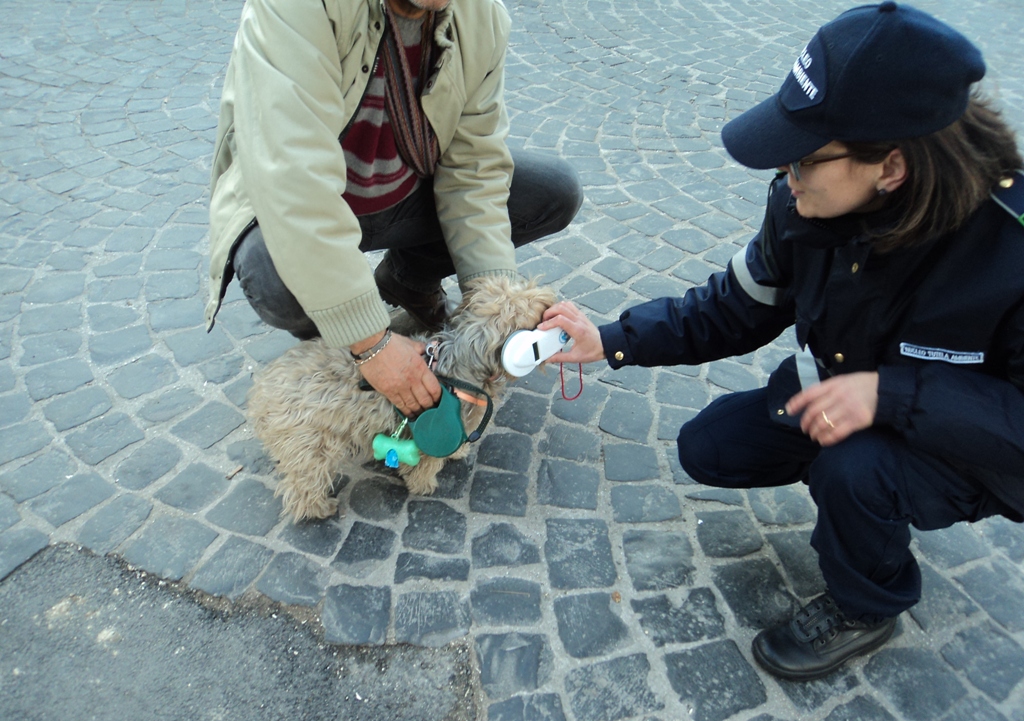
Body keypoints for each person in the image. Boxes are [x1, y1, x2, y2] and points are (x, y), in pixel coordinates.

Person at [541, 2, 1024, 681]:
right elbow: (736, 307)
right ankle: (867, 491)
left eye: (804, 158)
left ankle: (871, 600)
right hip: (847, 391)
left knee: (854, 472)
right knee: (711, 446)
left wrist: (890, 396)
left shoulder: (1011, 249)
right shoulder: (802, 208)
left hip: (972, 446)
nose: (786, 177)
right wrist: (611, 339)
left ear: (891, 167)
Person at [205, 0, 583, 417]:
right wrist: (372, 345)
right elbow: (294, 179)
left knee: (552, 192)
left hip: (401, 190)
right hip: (292, 200)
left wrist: (492, 306)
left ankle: (407, 280)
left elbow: (475, 168)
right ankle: (335, 338)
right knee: (275, 277)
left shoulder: (482, 15)